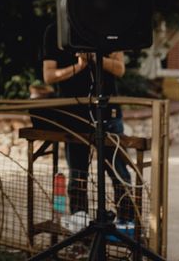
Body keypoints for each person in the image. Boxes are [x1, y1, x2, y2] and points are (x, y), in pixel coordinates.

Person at [41, 22, 135, 232]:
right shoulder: (54, 31)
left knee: (119, 171)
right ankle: (79, 225)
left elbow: (120, 68)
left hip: (108, 111)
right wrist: (79, 66)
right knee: (78, 173)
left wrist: (94, 58)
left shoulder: (109, 24)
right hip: (73, 113)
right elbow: (48, 75)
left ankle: (127, 222)